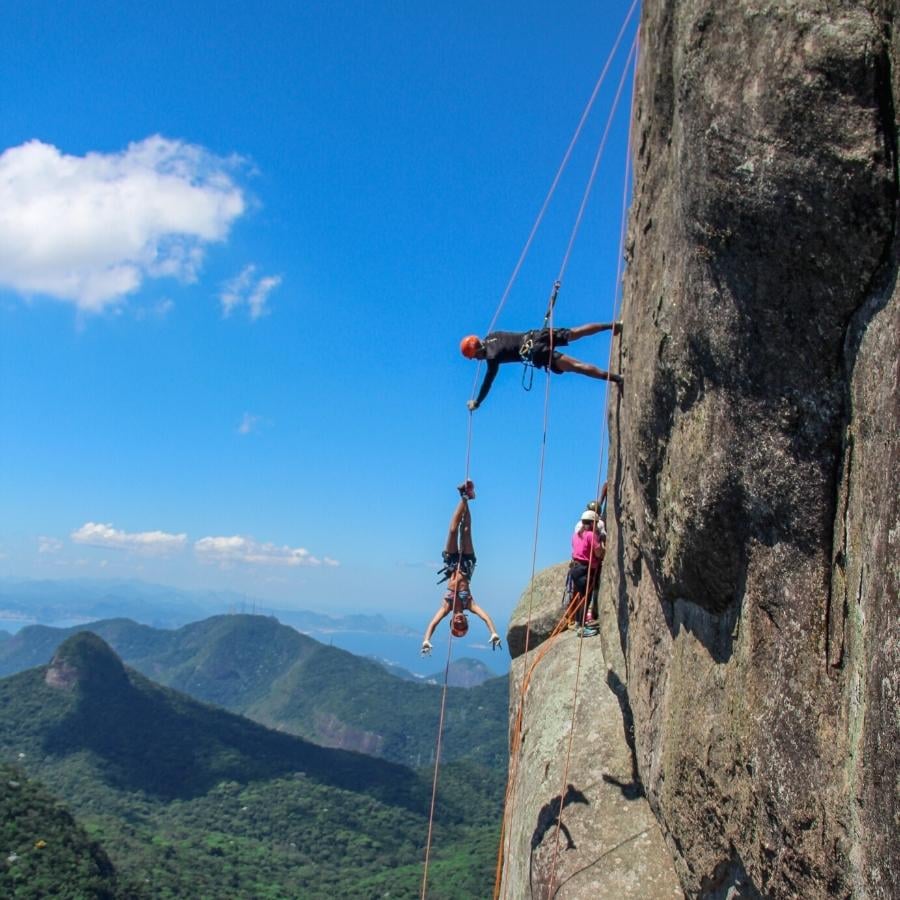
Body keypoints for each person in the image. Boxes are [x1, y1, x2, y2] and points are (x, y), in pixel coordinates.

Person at [460, 322, 623, 410]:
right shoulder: (492, 335)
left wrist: (477, 401)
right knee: (574, 332)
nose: (477, 360)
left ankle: (617, 378)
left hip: (535, 351)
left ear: (479, 350)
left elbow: (488, 382)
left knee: (576, 366)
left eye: (475, 357)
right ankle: (613, 326)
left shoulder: (491, 357)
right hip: (537, 335)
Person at [422, 482, 502, 655]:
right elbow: (485, 617)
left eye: (456, 624)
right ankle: (466, 497)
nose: (459, 621)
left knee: (452, 530)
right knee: (465, 531)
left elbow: (433, 623)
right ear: (466, 620)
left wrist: (426, 640)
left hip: (451, 564)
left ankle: (466, 497)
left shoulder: (446, 607)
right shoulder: (469, 604)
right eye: (462, 623)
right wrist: (493, 633)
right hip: (466, 565)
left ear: (451, 621)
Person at [570, 509, 606, 634]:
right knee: (586, 598)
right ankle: (581, 627)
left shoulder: (575, 535)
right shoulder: (591, 535)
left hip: (575, 569)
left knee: (582, 597)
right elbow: (598, 552)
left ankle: (579, 623)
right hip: (585, 569)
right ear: (591, 523)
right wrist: (601, 543)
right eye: (595, 523)